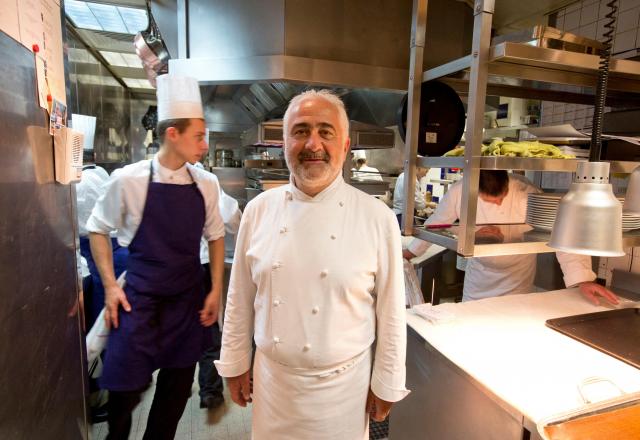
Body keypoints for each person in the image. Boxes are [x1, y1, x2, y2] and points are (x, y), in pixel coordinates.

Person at [215, 89, 409, 439]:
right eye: (301, 131)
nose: (313, 144)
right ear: (284, 142)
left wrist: (388, 381)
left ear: (346, 145)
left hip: (344, 391)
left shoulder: (377, 218)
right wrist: (234, 363)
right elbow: (239, 298)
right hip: (274, 386)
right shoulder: (259, 210)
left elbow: (392, 312)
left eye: (326, 132)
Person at [86, 74, 226, 440]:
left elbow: (215, 236)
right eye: (199, 135)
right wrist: (111, 287)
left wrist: (214, 293)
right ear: (172, 134)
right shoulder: (128, 180)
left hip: (186, 299)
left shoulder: (206, 184)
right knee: (123, 387)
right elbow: (98, 229)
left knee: (177, 390)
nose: (204, 143)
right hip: (140, 299)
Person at [404, 170, 618, 305]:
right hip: (479, 279)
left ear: (508, 180)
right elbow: (438, 224)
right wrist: (411, 252)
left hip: (518, 279)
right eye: (490, 200)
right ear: (475, 189)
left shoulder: (529, 193)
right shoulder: (461, 190)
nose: (497, 204)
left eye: (502, 197)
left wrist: (582, 279)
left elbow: (562, 233)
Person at [194, 162, 242, 410]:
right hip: (207, 267)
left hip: (189, 267)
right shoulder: (224, 201)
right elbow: (236, 230)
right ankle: (210, 391)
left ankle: (198, 387)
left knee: (195, 326)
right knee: (211, 327)